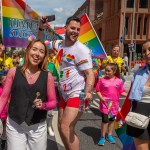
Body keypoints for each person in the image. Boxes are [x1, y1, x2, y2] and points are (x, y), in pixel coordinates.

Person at [38, 16, 95, 150]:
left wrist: (88, 92)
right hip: (64, 94)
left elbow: (90, 74)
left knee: (66, 127)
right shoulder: (59, 44)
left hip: (77, 93)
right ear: (65, 28)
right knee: (61, 128)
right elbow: (40, 42)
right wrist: (41, 27)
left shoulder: (82, 50)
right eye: (72, 28)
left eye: (78, 29)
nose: (75, 31)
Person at [0, 39, 57, 150]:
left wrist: (43, 105)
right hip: (15, 125)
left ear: (44, 56)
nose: (37, 54)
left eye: (41, 51)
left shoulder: (47, 76)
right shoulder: (13, 71)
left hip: (37, 127)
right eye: (34, 49)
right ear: (28, 51)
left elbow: (53, 102)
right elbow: (3, 97)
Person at [126, 39, 150, 150]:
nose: (147, 54)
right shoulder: (138, 72)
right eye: (144, 51)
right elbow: (129, 98)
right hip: (139, 114)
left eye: (149, 50)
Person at [96, 63, 127, 146]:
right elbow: (98, 90)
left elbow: (121, 91)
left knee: (112, 120)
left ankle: (109, 135)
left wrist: (128, 95)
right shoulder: (102, 80)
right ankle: (102, 137)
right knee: (105, 120)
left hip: (114, 105)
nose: (106, 72)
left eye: (109, 71)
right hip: (105, 104)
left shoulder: (119, 81)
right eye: (106, 70)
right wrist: (101, 97)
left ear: (114, 71)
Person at [0, 75, 7, 150]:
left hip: (7, 114)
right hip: (0, 113)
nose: (6, 82)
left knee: (5, 130)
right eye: (4, 81)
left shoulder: (10, 90)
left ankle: (3, 141)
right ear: (1, 82)